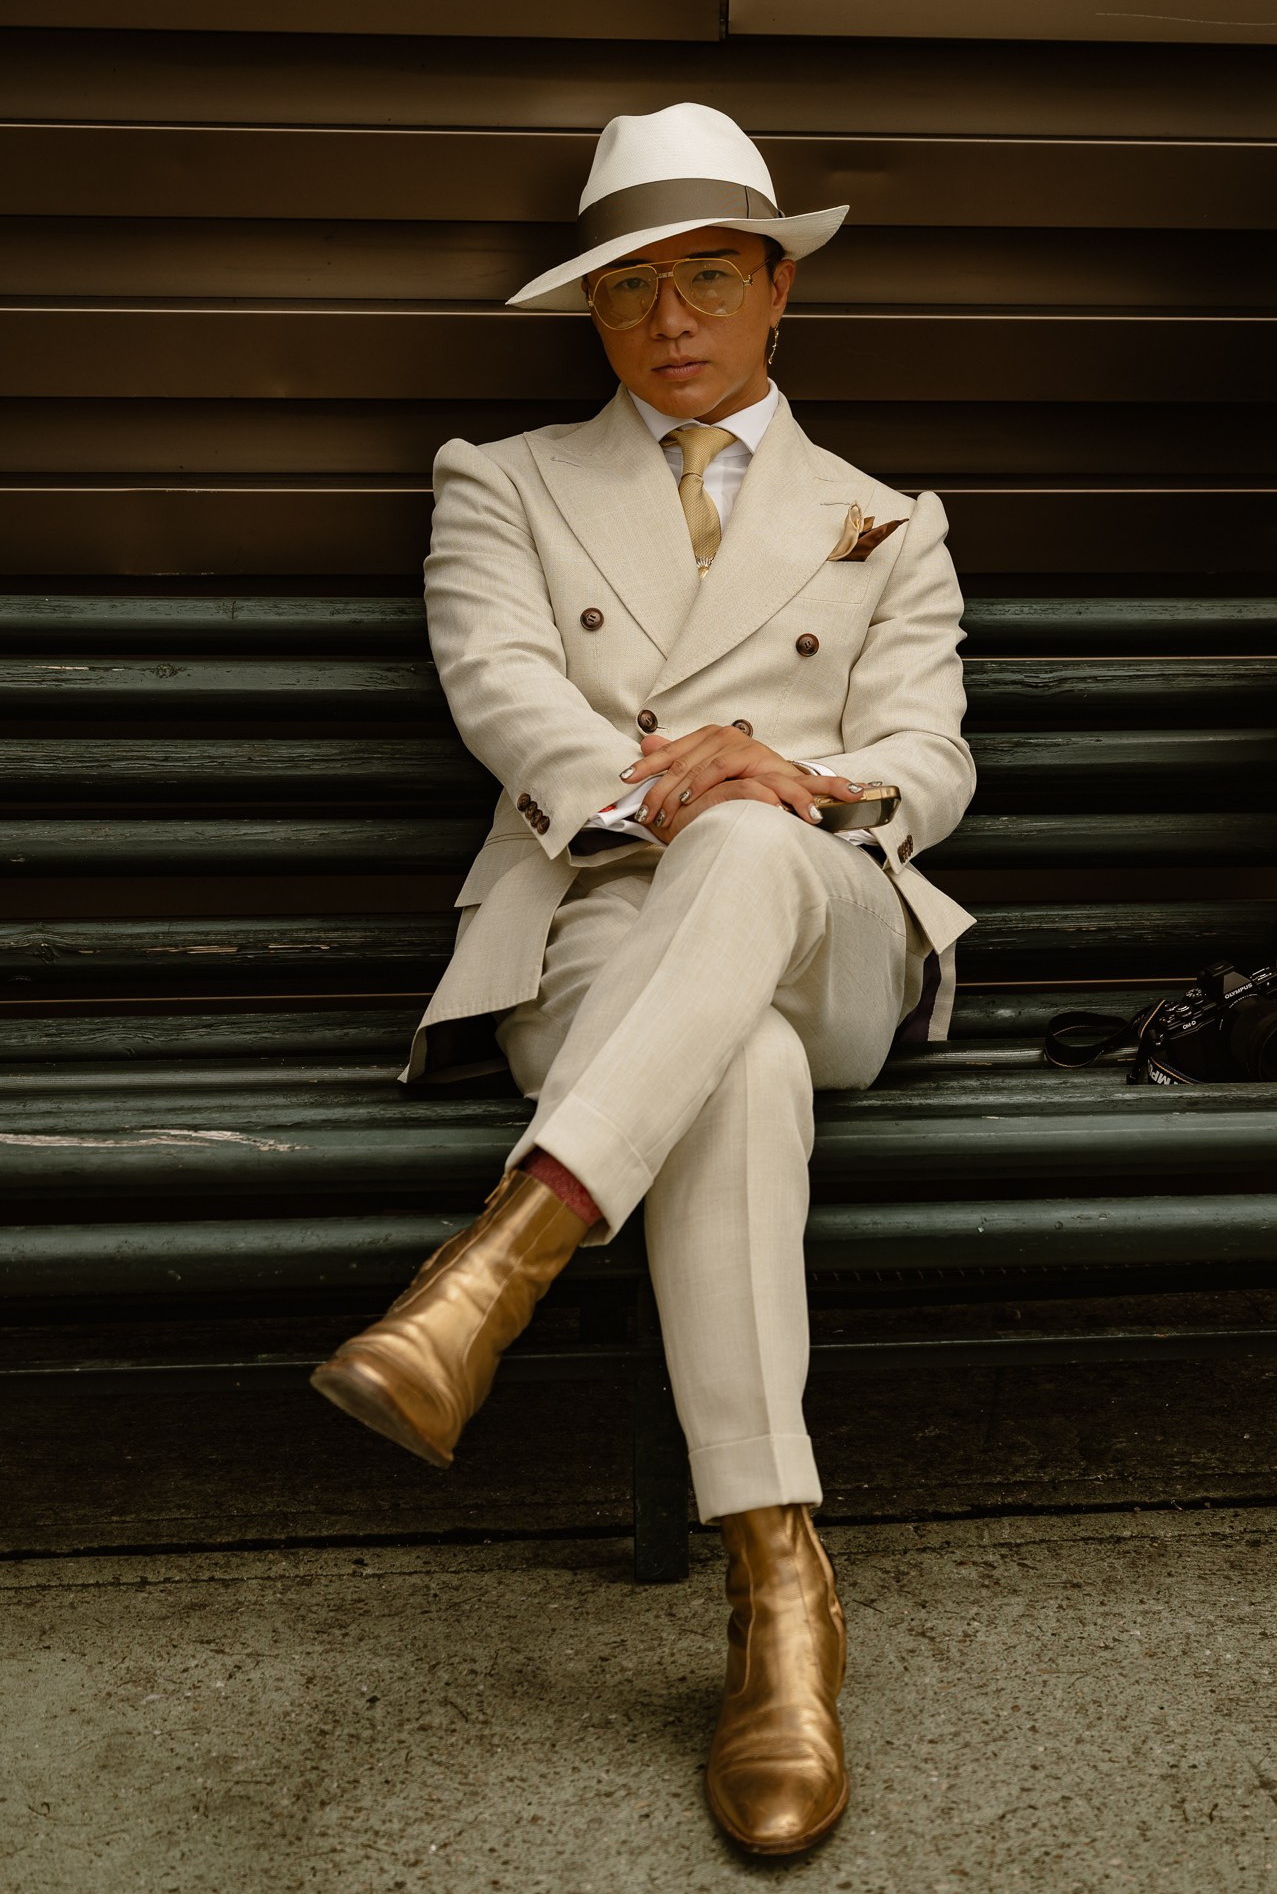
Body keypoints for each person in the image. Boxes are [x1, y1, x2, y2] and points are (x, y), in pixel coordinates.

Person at [312, 102, 976, 1856]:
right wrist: (661, 784)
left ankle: (504, 1258)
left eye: (703, 278)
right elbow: (506, 696)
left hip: (830, 921)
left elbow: (931, 754)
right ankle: (780, 1598)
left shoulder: (883, 521)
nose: (667, 319)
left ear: (776, 292)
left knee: (760, 855)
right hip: (595, 921)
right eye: (625, 291)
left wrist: (797, 779)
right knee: (728, 1070)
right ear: (593, 318)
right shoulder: (504, 479)